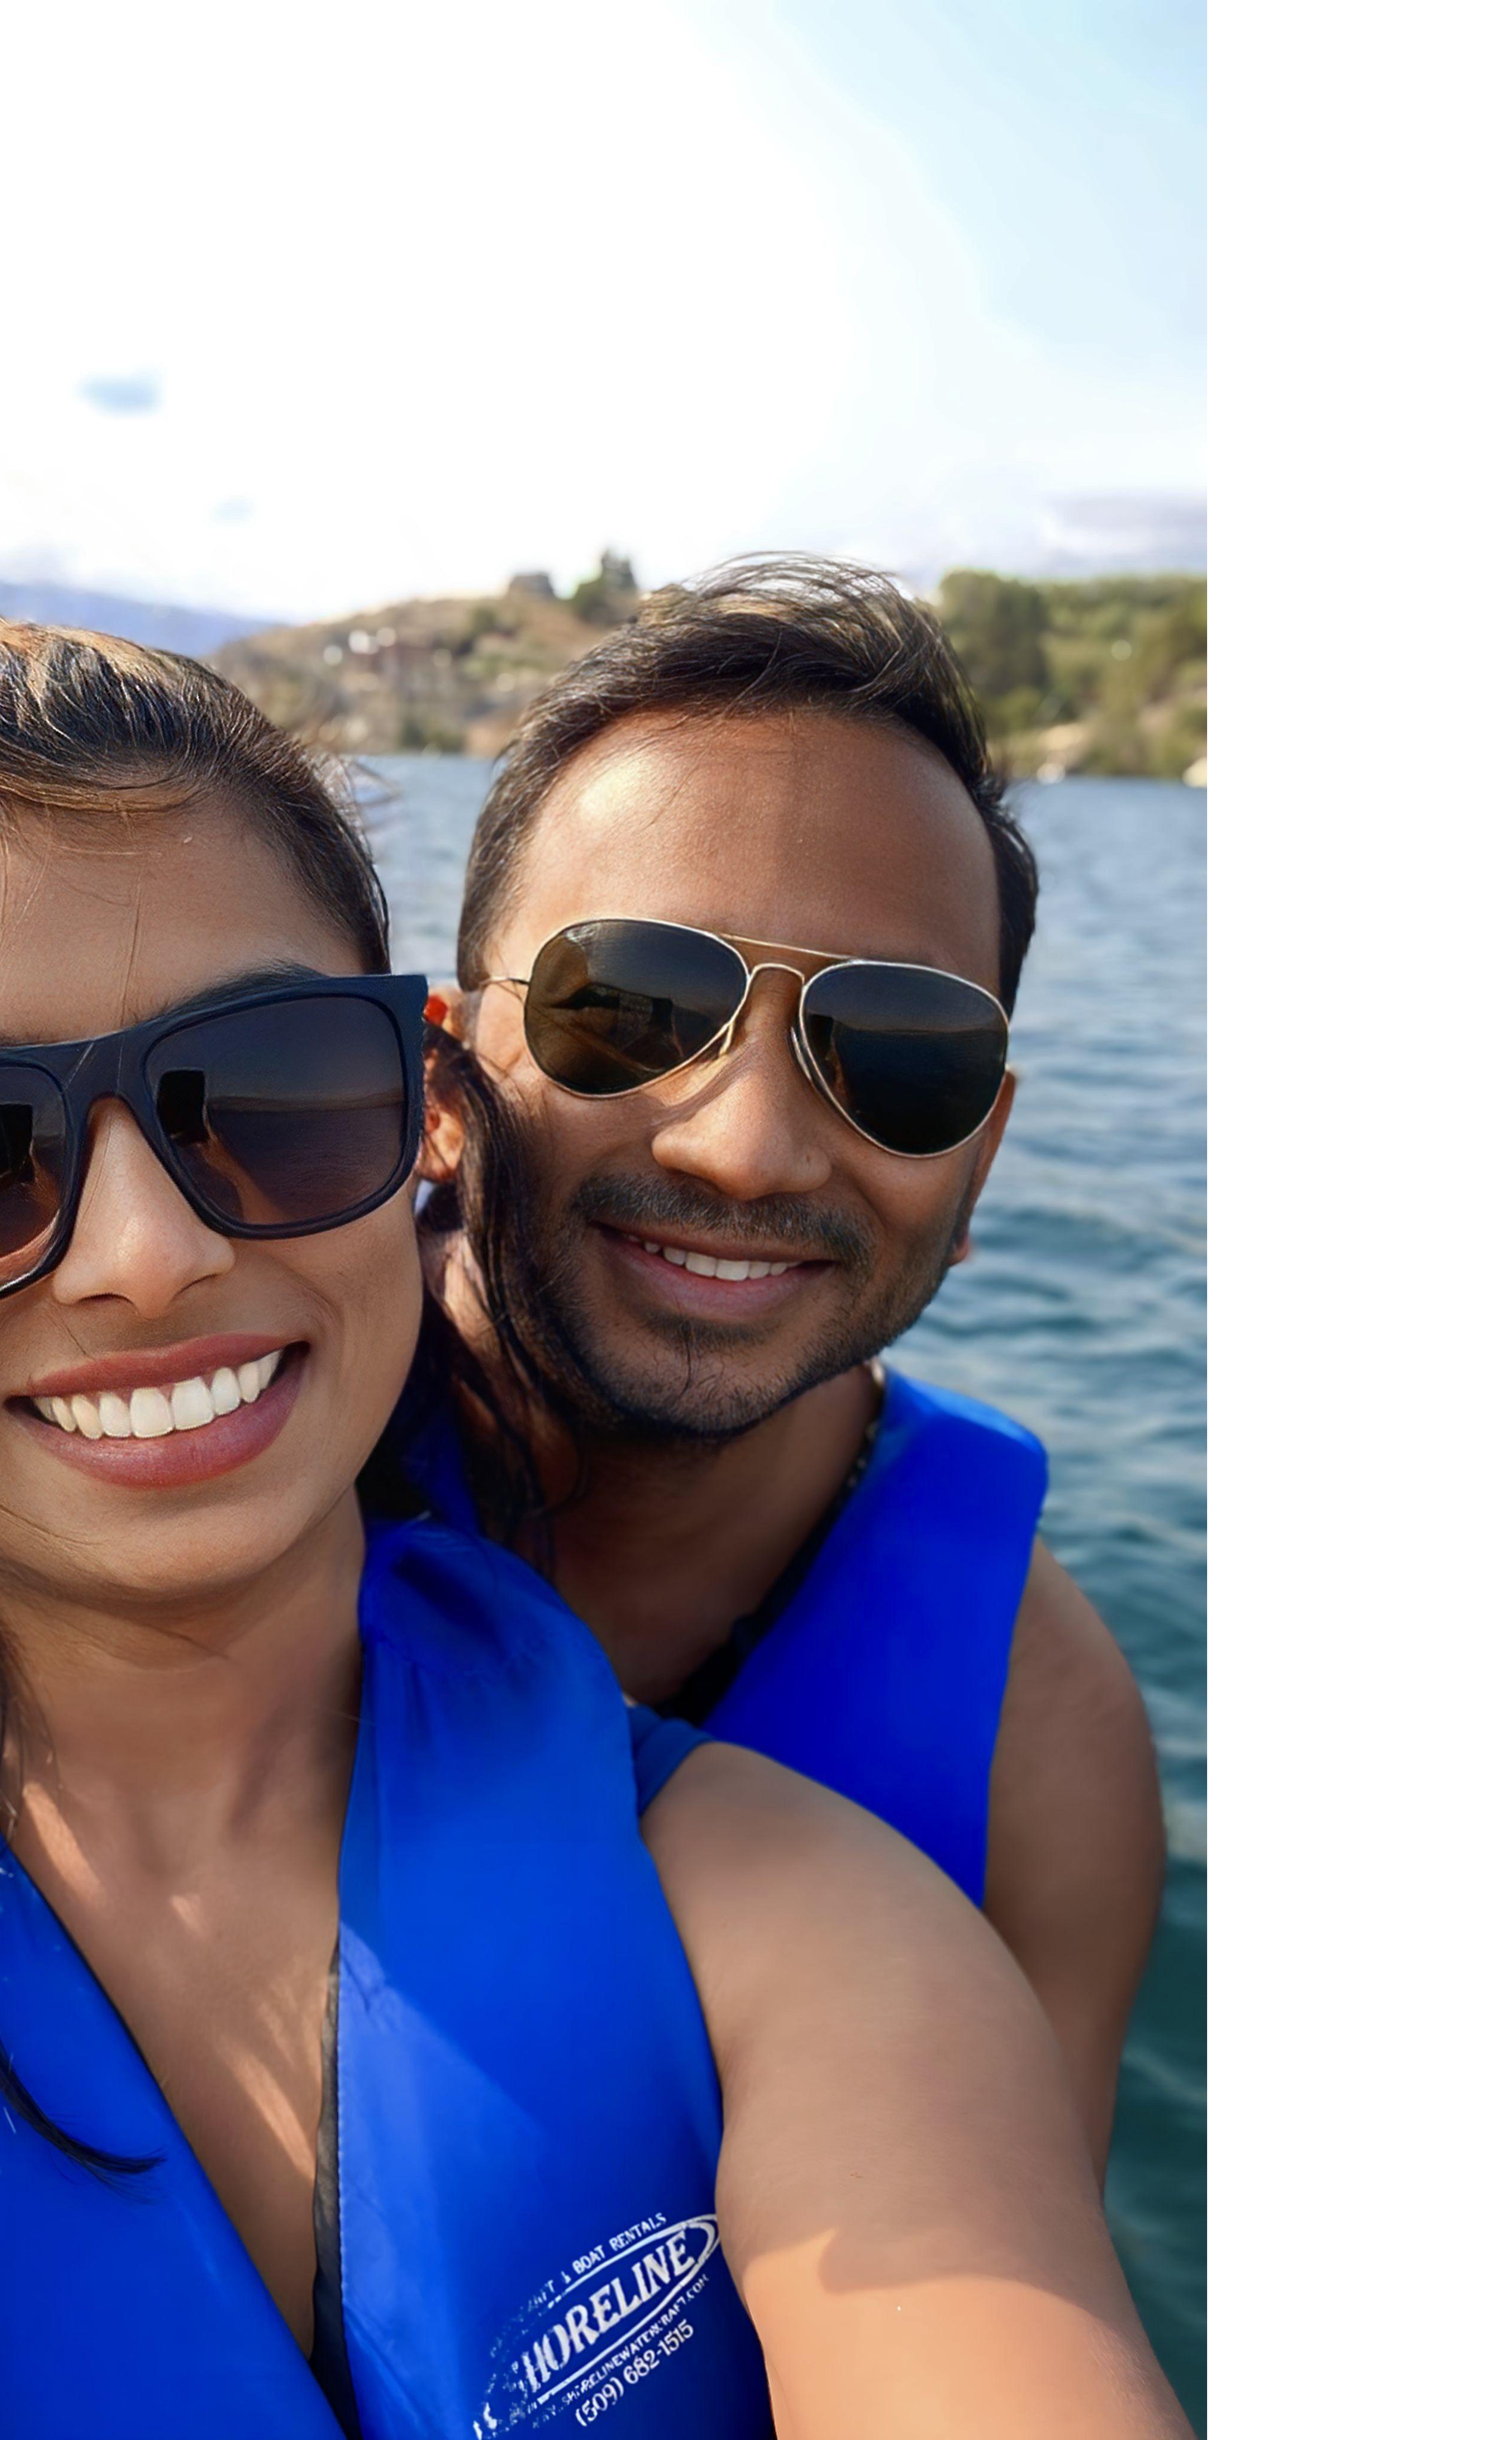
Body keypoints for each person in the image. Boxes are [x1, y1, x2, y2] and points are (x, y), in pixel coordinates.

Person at [0, 521, 1187, 2440]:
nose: (147, 1261)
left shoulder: (922, 1842)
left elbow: (978, 2277)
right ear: (458, 1072)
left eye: (258, 1097)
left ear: (983, 1154)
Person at [417, 556, 1166, 2173]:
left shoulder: (1037, 1742)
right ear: (441, 1073)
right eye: (626, 1008)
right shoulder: (204, 1448)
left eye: (899, 1054)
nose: (751, 1149)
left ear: (976, 1164)